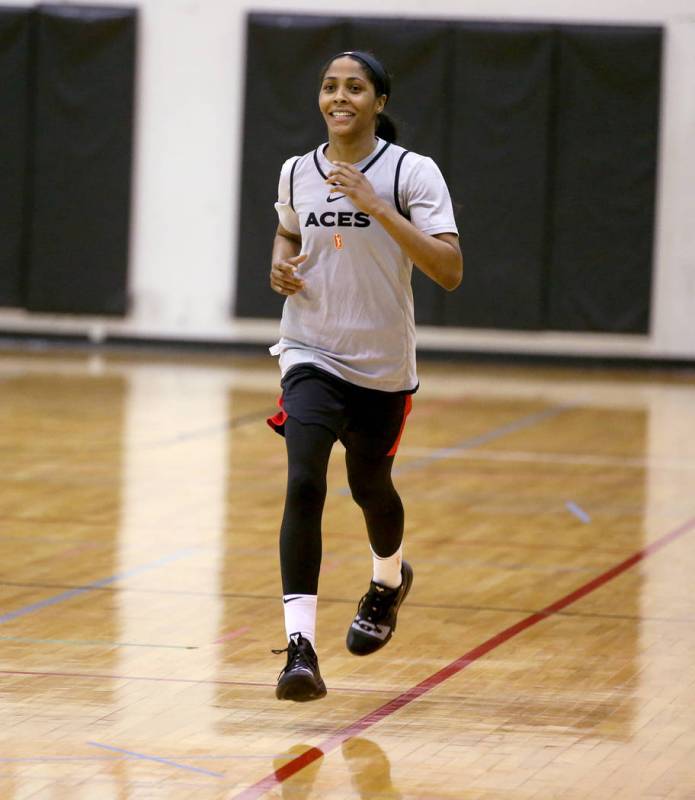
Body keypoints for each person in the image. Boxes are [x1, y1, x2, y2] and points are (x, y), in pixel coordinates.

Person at [267, 50, 462, 702]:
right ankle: (300, 649)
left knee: (370, 487)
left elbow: (448, 270)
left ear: (379, 101)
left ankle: (385, 582)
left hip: (380, 365)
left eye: (354, 87)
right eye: (329, 86)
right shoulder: (297, 170)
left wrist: (378, 208)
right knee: (302, 477)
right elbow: (287, 234)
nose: (338, 96)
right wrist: (281, 264)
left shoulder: (411, 172)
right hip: (309, 349)